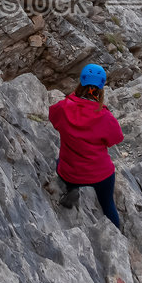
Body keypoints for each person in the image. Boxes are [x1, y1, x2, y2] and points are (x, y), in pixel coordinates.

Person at [49, 63, 123, 230]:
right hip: (100, 174)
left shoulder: (62, 107)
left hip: (70, 172)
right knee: (108, 204)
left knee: (59, 161)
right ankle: (116, 235)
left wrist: (75, 100)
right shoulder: (105, 116)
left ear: (81, 83)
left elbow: (53, 119)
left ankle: (72, 188)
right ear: (102, 87)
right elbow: (116, 139)